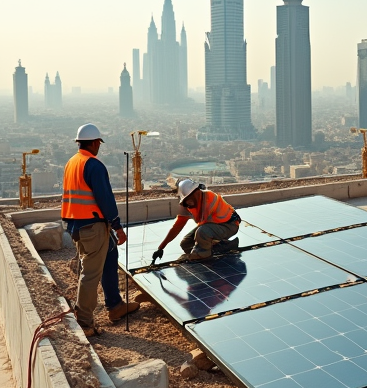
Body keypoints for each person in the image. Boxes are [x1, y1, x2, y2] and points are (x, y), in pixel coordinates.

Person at [62, 123, 139, 334]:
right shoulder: (94, 165)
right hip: (92, 226)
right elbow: (105, 199)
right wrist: (117, 226)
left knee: (110, 255)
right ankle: (85, 322)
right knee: (90, 273)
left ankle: (115, 305)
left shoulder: (72, 162)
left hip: (77, 224)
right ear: (96, 143)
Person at [152, 179, 240, 263]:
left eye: (191, 197)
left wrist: (191, 256)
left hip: (229, 225)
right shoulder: (186, 204)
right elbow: (177, 226)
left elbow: (204, 230)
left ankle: (203, 255)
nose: (189, 201)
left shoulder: (209, 197)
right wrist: (161, 247)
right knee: (186, 243)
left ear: (197, 192)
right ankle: (226, 247)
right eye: (187, 199)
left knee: (202, 233)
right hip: (210, 226)